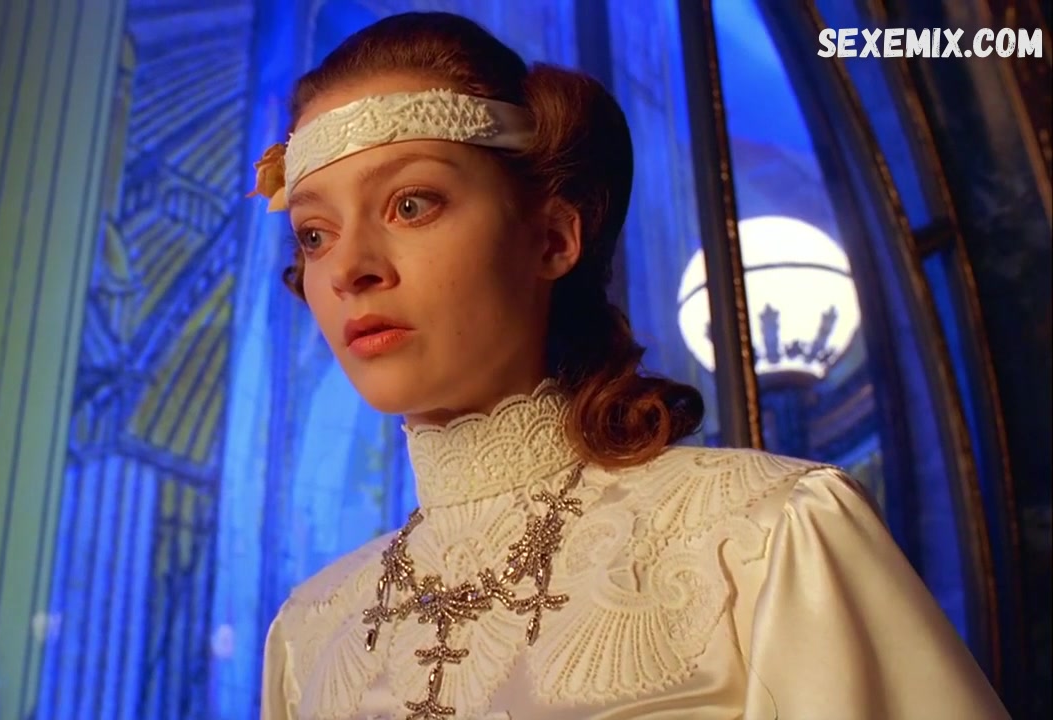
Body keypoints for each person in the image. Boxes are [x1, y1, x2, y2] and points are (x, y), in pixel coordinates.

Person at [248, 11, 1009, 720]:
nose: (349, 268)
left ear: (553, 239)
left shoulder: (764, 538)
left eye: (411, 204)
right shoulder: (310, 635)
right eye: (314, 234)